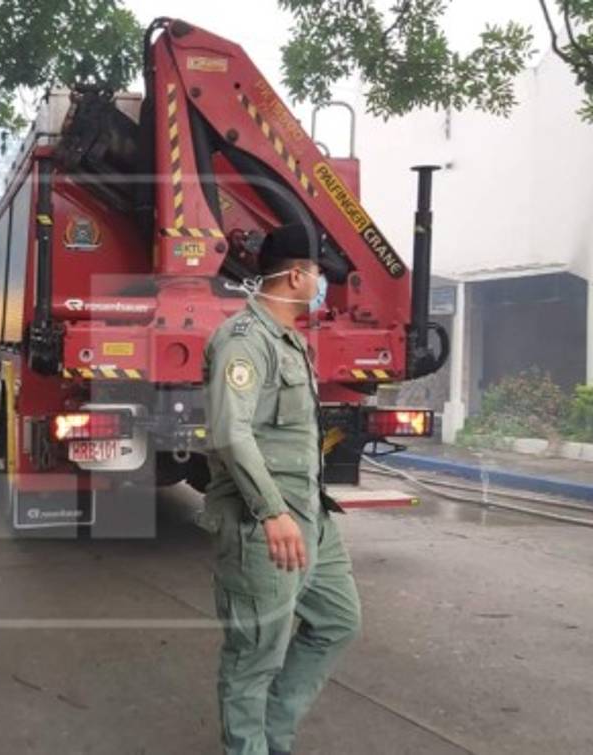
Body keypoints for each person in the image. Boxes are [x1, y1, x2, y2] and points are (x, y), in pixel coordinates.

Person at [202, 225, 360, 755]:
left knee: (337, 620)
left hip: (310, 516)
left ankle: (273, 736)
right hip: (265, 524)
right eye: (318, 274)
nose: (321, 285)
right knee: (255, 655)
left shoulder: (289, 340)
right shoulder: (244, 341)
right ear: (296, 275)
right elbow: (230, 432)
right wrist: (272, 512)